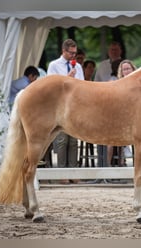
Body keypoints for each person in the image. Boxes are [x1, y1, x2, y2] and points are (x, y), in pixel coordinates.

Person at [47, 39, 84, 183]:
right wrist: (67, 79)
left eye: (75, 53)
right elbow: (50, 86)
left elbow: (82, 84)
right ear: (64, 51)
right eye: (71, 53)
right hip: (60, 107)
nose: (73, 56)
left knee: (74, 140)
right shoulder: (54, 65)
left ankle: (73, 172)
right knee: (61, 140)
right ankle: (62, 172)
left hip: (75, 106)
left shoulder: (78, 67)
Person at [94, 41, 122, 169]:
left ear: (120, 51)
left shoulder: (125, 65)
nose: (113, 52)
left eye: (116, 49)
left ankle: (117, 163)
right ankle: (104, 165)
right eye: (111, 49)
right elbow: (95, 85)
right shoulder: (102, 66)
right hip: (103, 106)